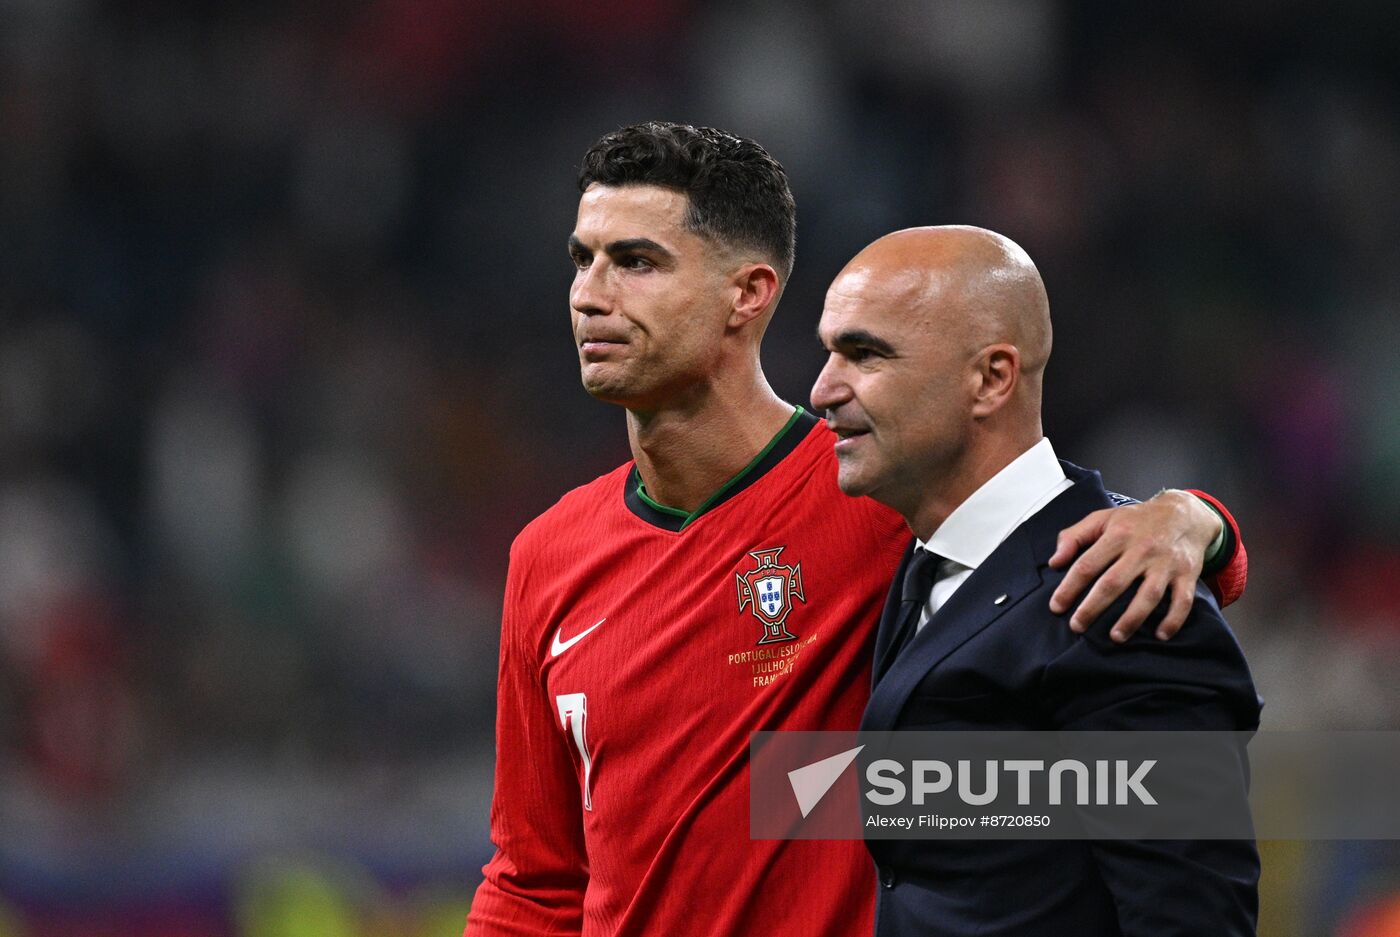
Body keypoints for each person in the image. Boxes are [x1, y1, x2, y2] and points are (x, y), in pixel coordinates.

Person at [464, 123, 1247, 937]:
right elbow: (535, 878)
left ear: (748, 292)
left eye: (634, 262)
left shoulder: (873, 488)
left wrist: (1194, 521)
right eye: (581, 259)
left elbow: (1048, 528)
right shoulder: (548, 555)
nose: (590, 293)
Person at [811, 225, 1260, 936]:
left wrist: (1193, 520)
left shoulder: (1117, 590)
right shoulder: (919, 560)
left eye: (864, 354)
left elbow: (1189, 918)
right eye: (829, 351)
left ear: (991, 378)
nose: (822, 389)